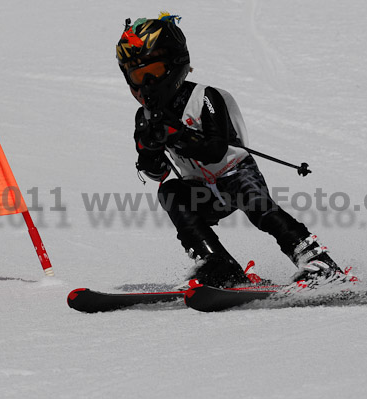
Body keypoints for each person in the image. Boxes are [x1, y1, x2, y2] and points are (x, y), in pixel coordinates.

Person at [116, 14, 344, 288]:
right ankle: (217, 264)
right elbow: (158, 173)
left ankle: (317, 260)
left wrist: (175, 136)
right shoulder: (145, 116)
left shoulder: (205, 97)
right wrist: (147, 149)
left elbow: (215, 149)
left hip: (235, 173)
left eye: (152, 72)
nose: (147, 84)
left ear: (174, 63)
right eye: (139, 76)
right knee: (169, 192)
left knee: (261, 210)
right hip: (200, 188)